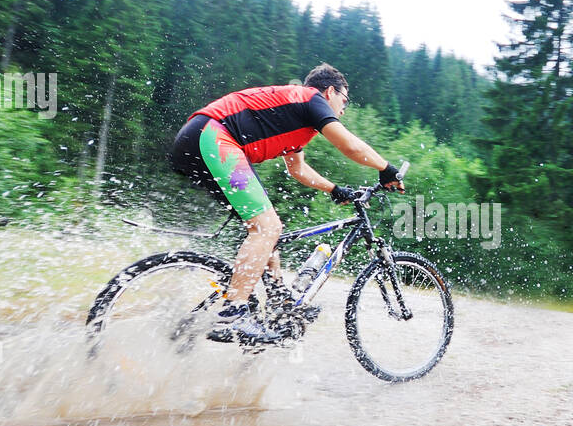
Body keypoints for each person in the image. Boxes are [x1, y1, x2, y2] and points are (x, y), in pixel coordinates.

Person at [169, 63, 404, 344]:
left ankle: (280, 301)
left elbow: (298, 170)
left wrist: (335, 189)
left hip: (202, 140)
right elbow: (349, 146)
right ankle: (233, 313)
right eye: (344, 100)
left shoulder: (297, 117)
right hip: (213, 137)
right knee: (267, 228)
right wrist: (386, 168)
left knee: (269, 232)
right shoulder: (310, 99)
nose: (343, 108)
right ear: (329, 91)